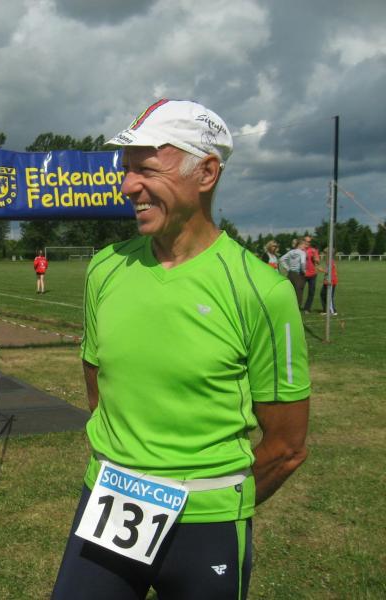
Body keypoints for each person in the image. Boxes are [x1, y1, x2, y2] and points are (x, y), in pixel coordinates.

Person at [52, 99, 310, 599]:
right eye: (126, 170)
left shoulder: (262, 291)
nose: (127, 186)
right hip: (108, 506)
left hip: (209, 525)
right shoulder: (105, 268)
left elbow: (287, 447)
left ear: (206, 173)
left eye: (147, 170)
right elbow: (100, 391)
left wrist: (212, 503)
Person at [279, 239, 308, 306]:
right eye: (304, 244)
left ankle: (289, 305)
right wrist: (304, 271)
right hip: (298, 274)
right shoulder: (302, 253)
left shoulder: (291, 252)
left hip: (290, 274)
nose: (305, 246)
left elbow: (281, 259)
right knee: (298, 291)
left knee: (290, 291)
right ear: (300, 245)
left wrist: (287, 268)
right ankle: (297, 307)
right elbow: (303, 263)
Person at [302, 236, 320, 313]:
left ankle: (307, 308)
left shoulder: (313, 250)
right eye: (306, 241)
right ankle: (296, 307)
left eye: (309, 241)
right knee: (298, 292)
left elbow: (318, 262)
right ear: (303, 241)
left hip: (312, 274)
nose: (307, 243)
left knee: (311, 292)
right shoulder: (300, 250)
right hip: (302, 274)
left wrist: (315, 259)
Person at [319, 248, 338, 315]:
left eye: (325, 253)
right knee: (323, 294)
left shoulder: (330, 261)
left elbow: (327, 271)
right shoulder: (328, 261)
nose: (324, 255)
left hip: (331, 281)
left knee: (329, 296)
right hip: (327, 280)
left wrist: (320, 269)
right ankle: (326, 310)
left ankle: (333, 311)